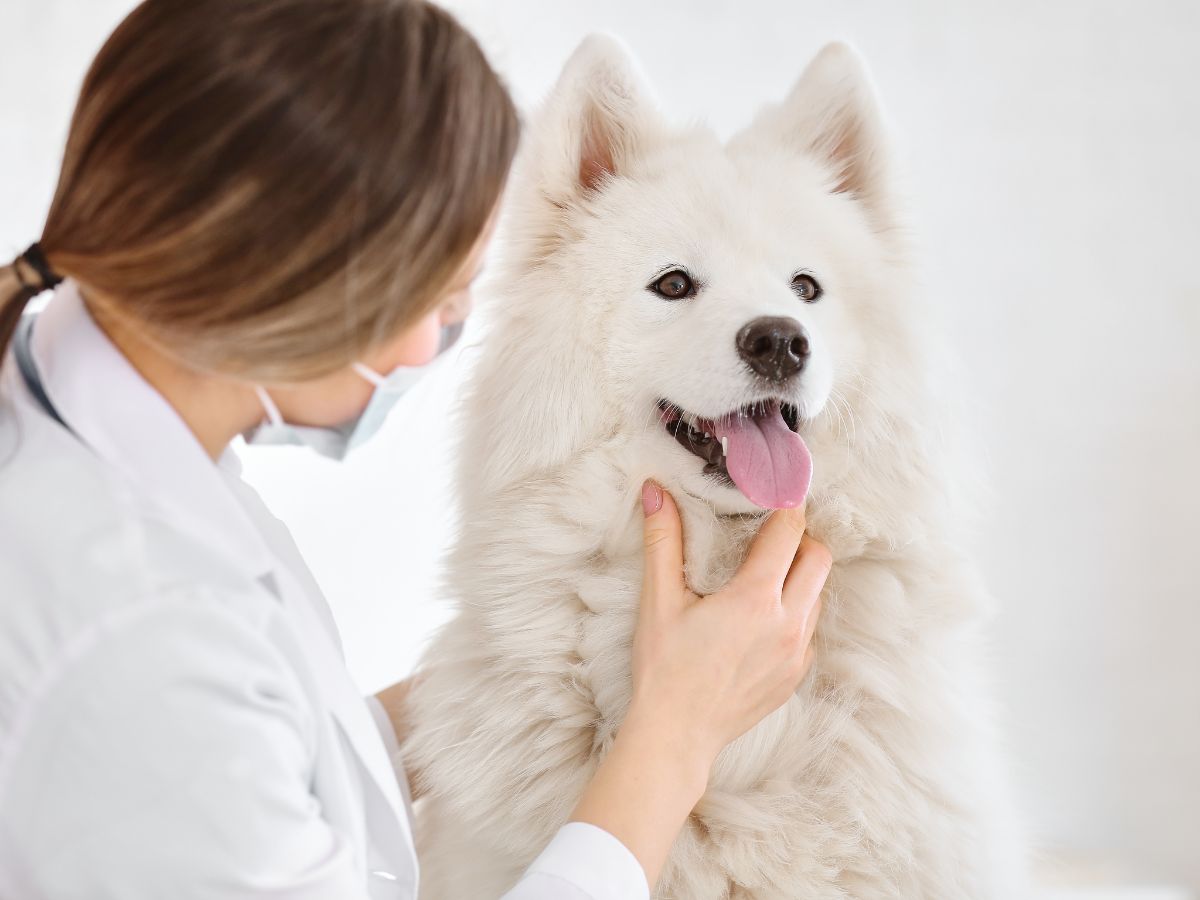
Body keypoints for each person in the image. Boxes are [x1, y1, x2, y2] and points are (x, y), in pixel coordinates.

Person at [0, 1, 831, 898]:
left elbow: (253, 772)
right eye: (439, 297)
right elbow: (194, 756)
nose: (439, 344)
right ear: (290, 276)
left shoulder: (101, 431)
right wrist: (675, 733)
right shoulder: (135, 631)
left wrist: (511, 686)